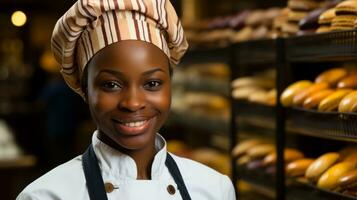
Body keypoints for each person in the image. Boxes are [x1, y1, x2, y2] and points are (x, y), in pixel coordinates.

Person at [17, 0, 236, 199]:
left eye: (152, 84)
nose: (132, 103)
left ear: (170, 84)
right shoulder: (45, 196)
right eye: (111, 85)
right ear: (84, 90)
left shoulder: (215, 189)